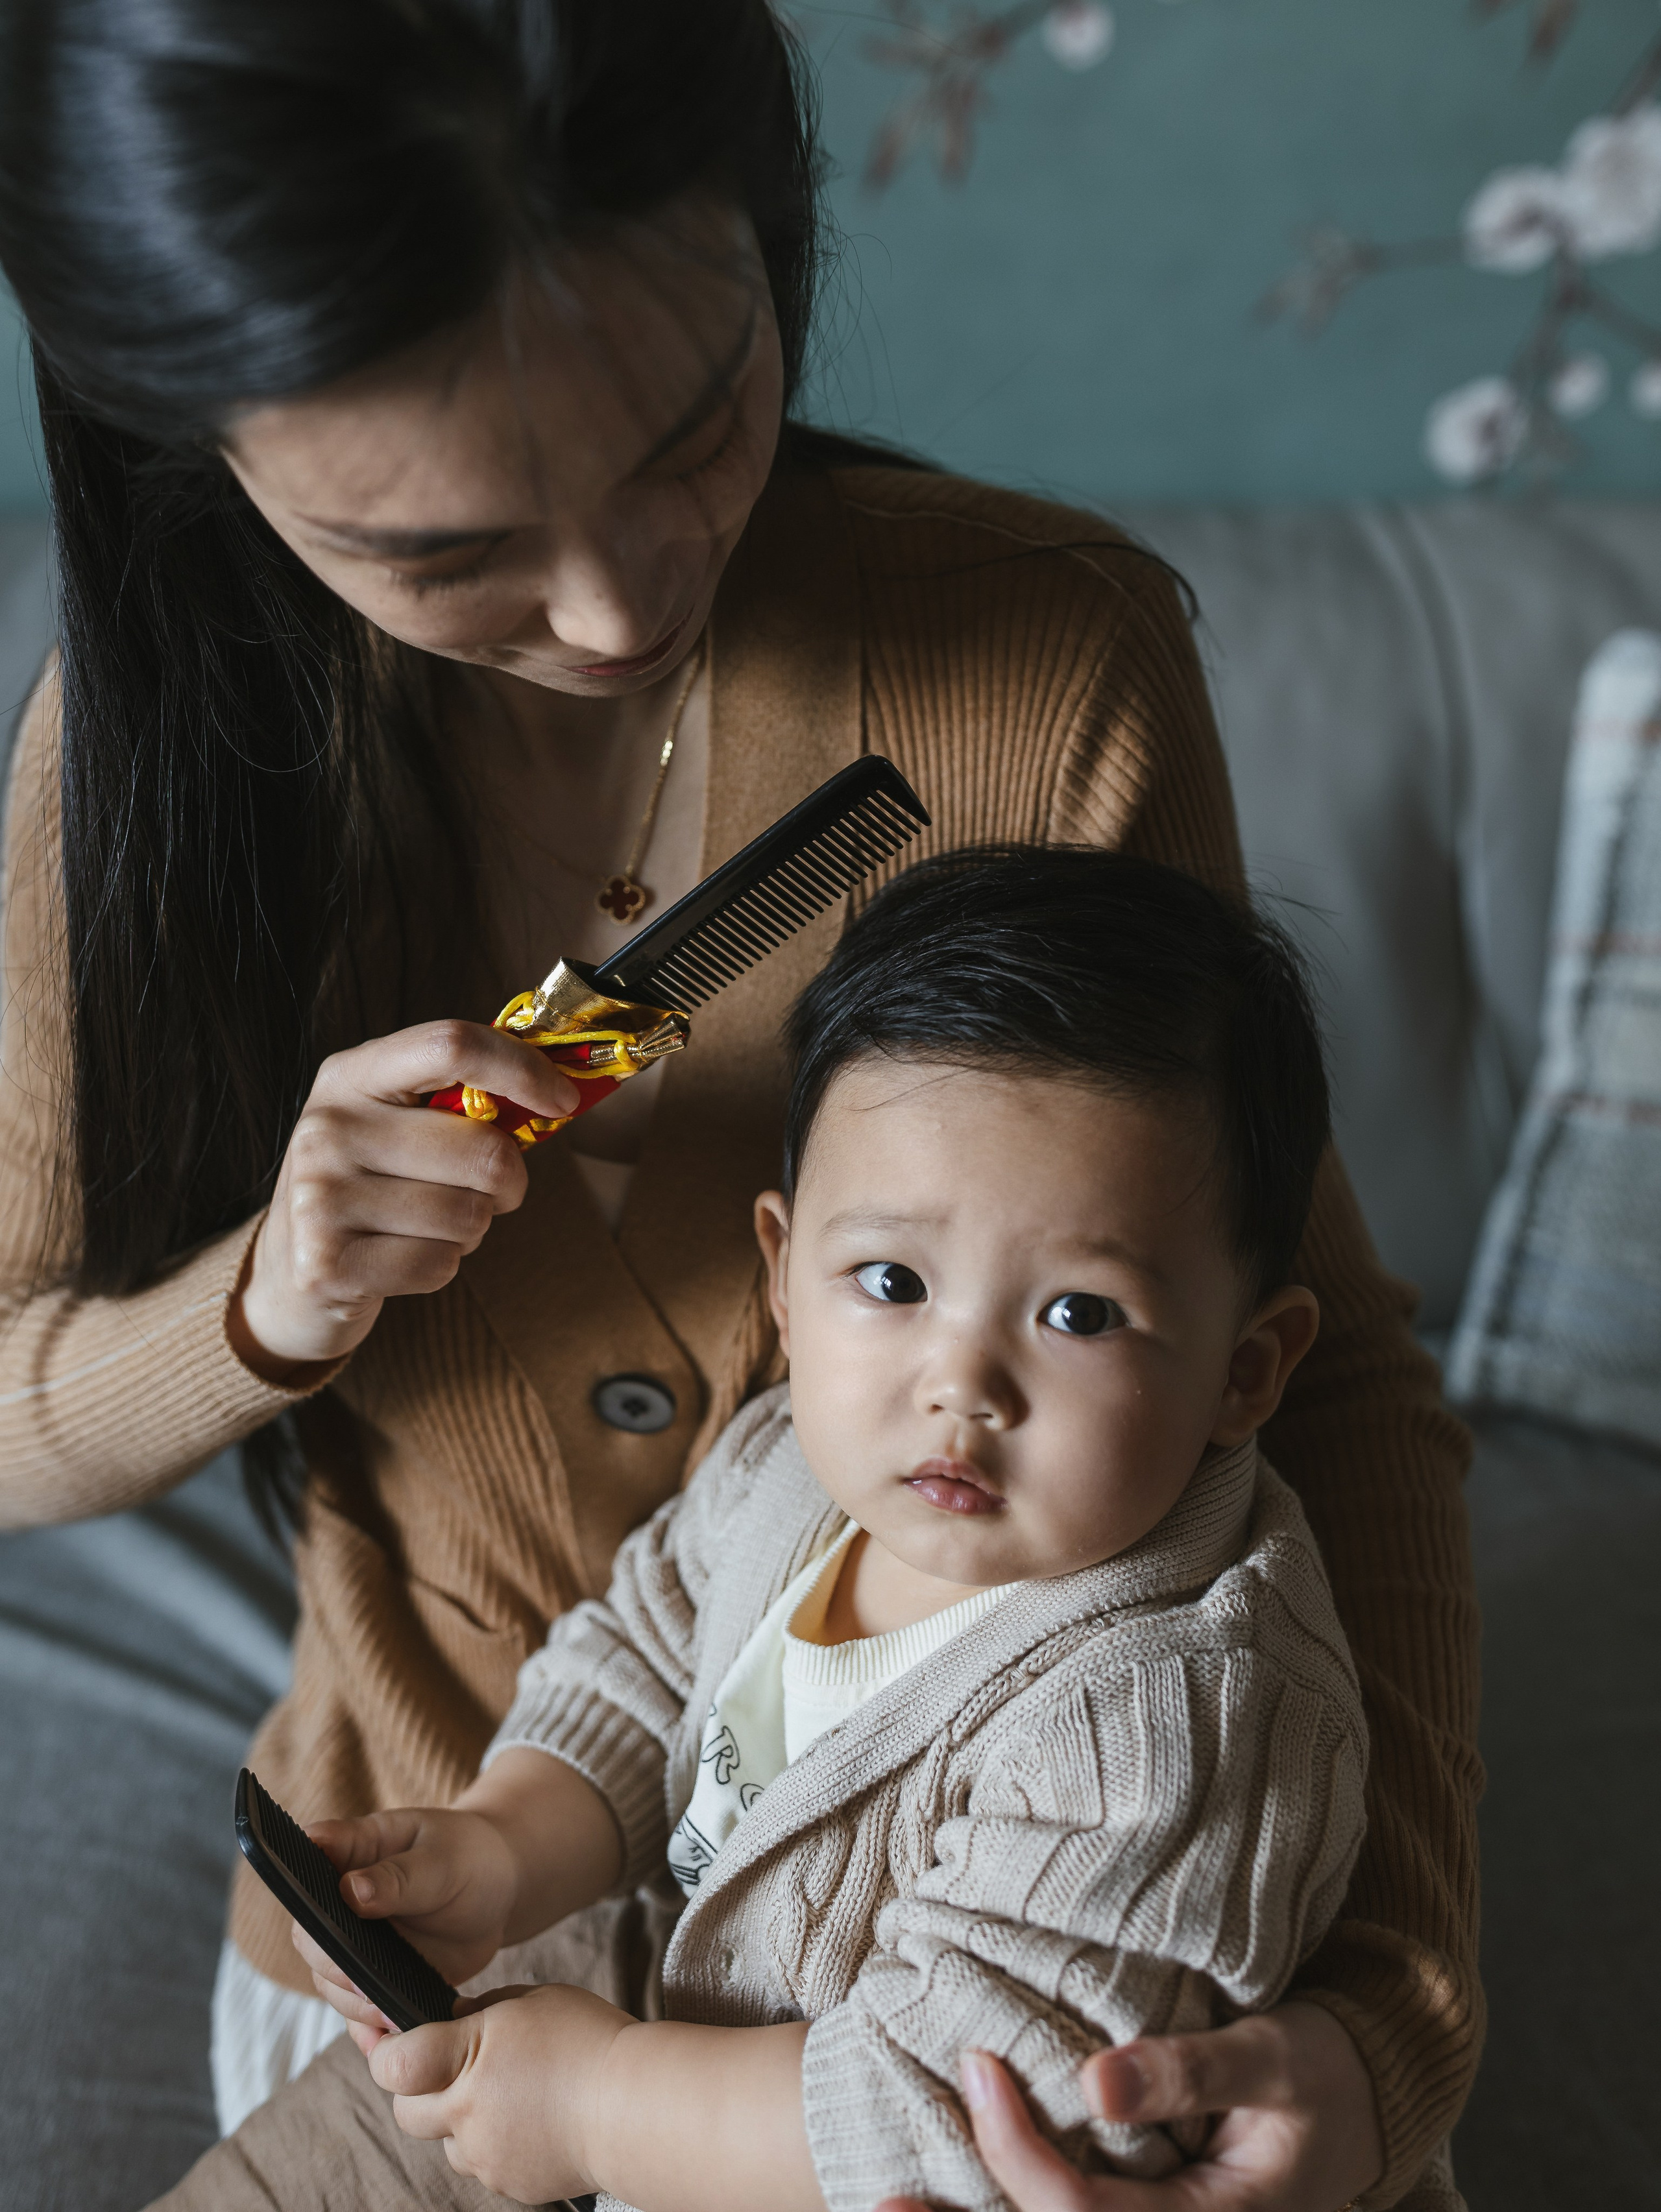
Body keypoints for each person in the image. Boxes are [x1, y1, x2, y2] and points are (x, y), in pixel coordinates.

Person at [0, 3, 1477, 2206]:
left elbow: (1314, 1365)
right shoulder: (146, 788)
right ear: (188, 442)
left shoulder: (1042, 666)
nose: (615, 604)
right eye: (450, 549)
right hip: (438, 1912)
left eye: (696, 432)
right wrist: (258, 1304)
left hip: (1001, 1946)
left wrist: (1390, 2036)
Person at [259, 845, 1374, 2212]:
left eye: (1077, 1312)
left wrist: (603, 2107)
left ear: (1246, 1370)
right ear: (782, 1277)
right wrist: (498, 1848)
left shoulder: (1173, 1715)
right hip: (634, 2002)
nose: (957, 1381)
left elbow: (971, 2110)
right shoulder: (794, 1462)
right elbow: (642, 1657)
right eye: (892, 1279)